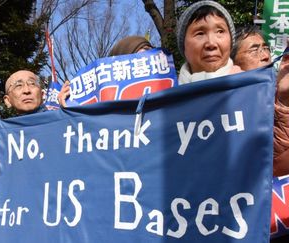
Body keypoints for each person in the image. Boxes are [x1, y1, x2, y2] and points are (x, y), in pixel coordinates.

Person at [176, 1, 289, 177]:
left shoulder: (251, 98)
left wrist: (283, 102)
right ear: (183, 45)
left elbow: (278, 163)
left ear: (230, 42)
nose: (211, 43)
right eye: (199, 33)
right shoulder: (166, 105)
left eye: (220, 31)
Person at [0, 70, 45, 187]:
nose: (26, 90)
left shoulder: (62, 125)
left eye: (32, 83)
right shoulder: (0, 134)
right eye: (18, 85)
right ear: (7, 100)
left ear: (42, 94)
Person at [57, 35, 154, 107]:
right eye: (144, 50)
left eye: (152, 51)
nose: (149, 56)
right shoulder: (102, 102)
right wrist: (68, 108)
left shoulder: (165, 94)